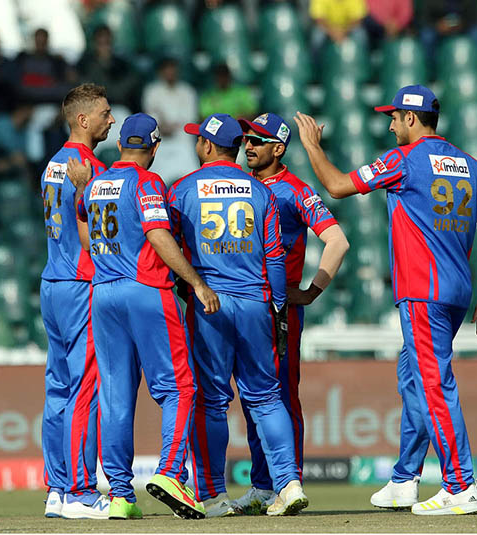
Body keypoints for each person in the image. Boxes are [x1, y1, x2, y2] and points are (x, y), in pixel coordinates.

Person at [294, 84, 477, 515]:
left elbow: (335, 185)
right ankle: (404, 480)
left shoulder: (404, 160)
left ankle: (461, 485)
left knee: (432, 385)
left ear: (412, 118)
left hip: (422, 291)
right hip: (458, 289)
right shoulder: (471, 164)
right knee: (414, 380)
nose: (389, 125)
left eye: (394, 117)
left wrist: (312, 147)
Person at [68, 113, 220, 520]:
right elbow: (157, 233)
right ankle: (170, 472)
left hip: (103, 294)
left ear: (119, 145)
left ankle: (120, 495)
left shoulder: (96, 183)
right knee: (180, 387)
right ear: (153, 149)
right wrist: (196, 282)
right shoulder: (149, 182)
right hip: (147, 291)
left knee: (116, 394)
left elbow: (84, 226)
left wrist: (84, 187)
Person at [168, 113, 308, 517]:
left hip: (209, 302)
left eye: (199, 140)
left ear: (208, 146)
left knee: (212, 401)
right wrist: (279, 308)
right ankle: (288, 483)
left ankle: (212, 496)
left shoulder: (182, 189)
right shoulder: (259, 191)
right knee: (266, 397)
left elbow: (168, 244)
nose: (196, 145)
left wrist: (185, 286)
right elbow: (275, 256)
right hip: (255, 303)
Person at [230, 112, 349, 514]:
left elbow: (337, 241)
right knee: (252, 400)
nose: (249, 146)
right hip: (246, 306)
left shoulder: (295, 190)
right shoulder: (239, 186)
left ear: (279, 149)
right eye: (246, 138)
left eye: (258, 141)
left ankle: (288, 482)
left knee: (280, 396)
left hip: (278, 310)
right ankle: (265, 485)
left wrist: (311, 291)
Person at [39, 83, 114, 520]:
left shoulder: (51, 164)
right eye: (104, 113)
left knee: (58, 388)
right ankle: (81, 492)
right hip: (81, 283)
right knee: (84, 388)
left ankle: (56, 488)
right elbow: (96, 235)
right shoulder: (89, 170)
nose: (111, 120)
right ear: (83, 120)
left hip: (53, 280)